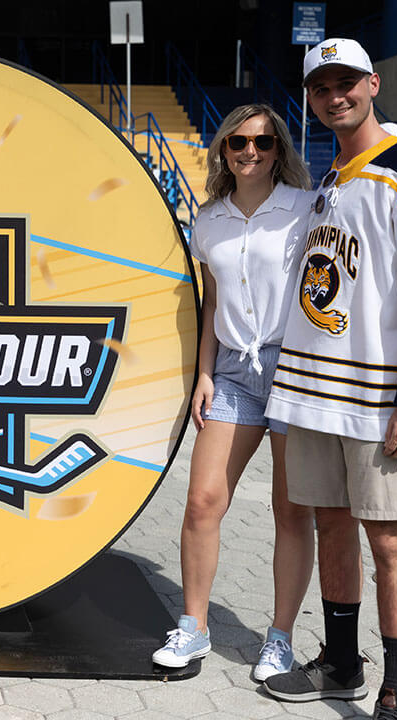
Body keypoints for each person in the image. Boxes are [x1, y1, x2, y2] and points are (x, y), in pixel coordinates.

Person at [261, 39, 397, 720]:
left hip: (381, 400)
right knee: (330, 526)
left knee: (390, 538)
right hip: (319, 394)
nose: (334, 95)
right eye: (321, 87)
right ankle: (342, 664)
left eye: (346, 82)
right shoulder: (331, 177)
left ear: (374, 84)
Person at [151, 104, 316, 681]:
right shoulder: (208, 221)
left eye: (264, 143)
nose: (251, 152)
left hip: (293, 370)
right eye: (239, 142)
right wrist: (203, 372)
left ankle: (279, 637)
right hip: (233, 376)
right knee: (202, 503)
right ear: (223, 149)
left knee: (291, 510)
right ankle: (194, 628)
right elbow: (212, 302)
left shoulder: (305, 209)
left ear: (279, 150)